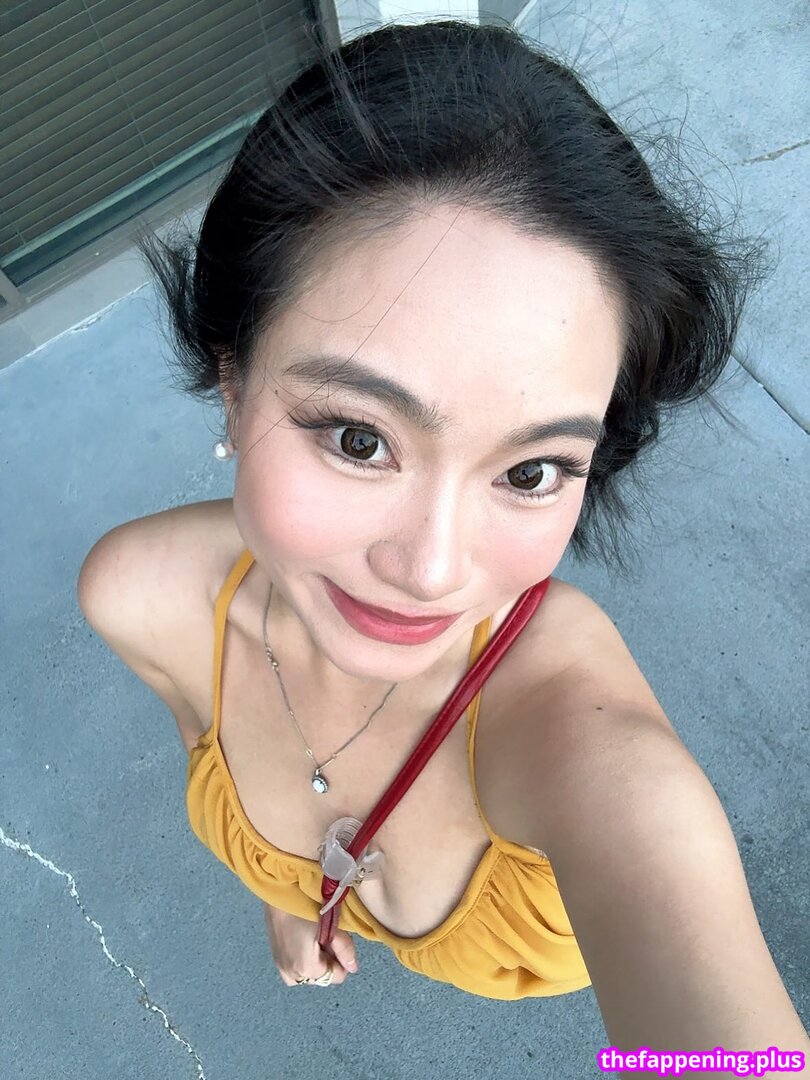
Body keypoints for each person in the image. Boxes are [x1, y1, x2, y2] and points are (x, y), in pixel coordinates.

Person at [93, 16, 806, 1068]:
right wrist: (285, 892)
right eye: (359, 438)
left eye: (530, 472)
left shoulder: (596, 764)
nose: (432, 572)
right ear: (232, 380)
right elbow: (213, 746)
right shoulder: (136, 596)